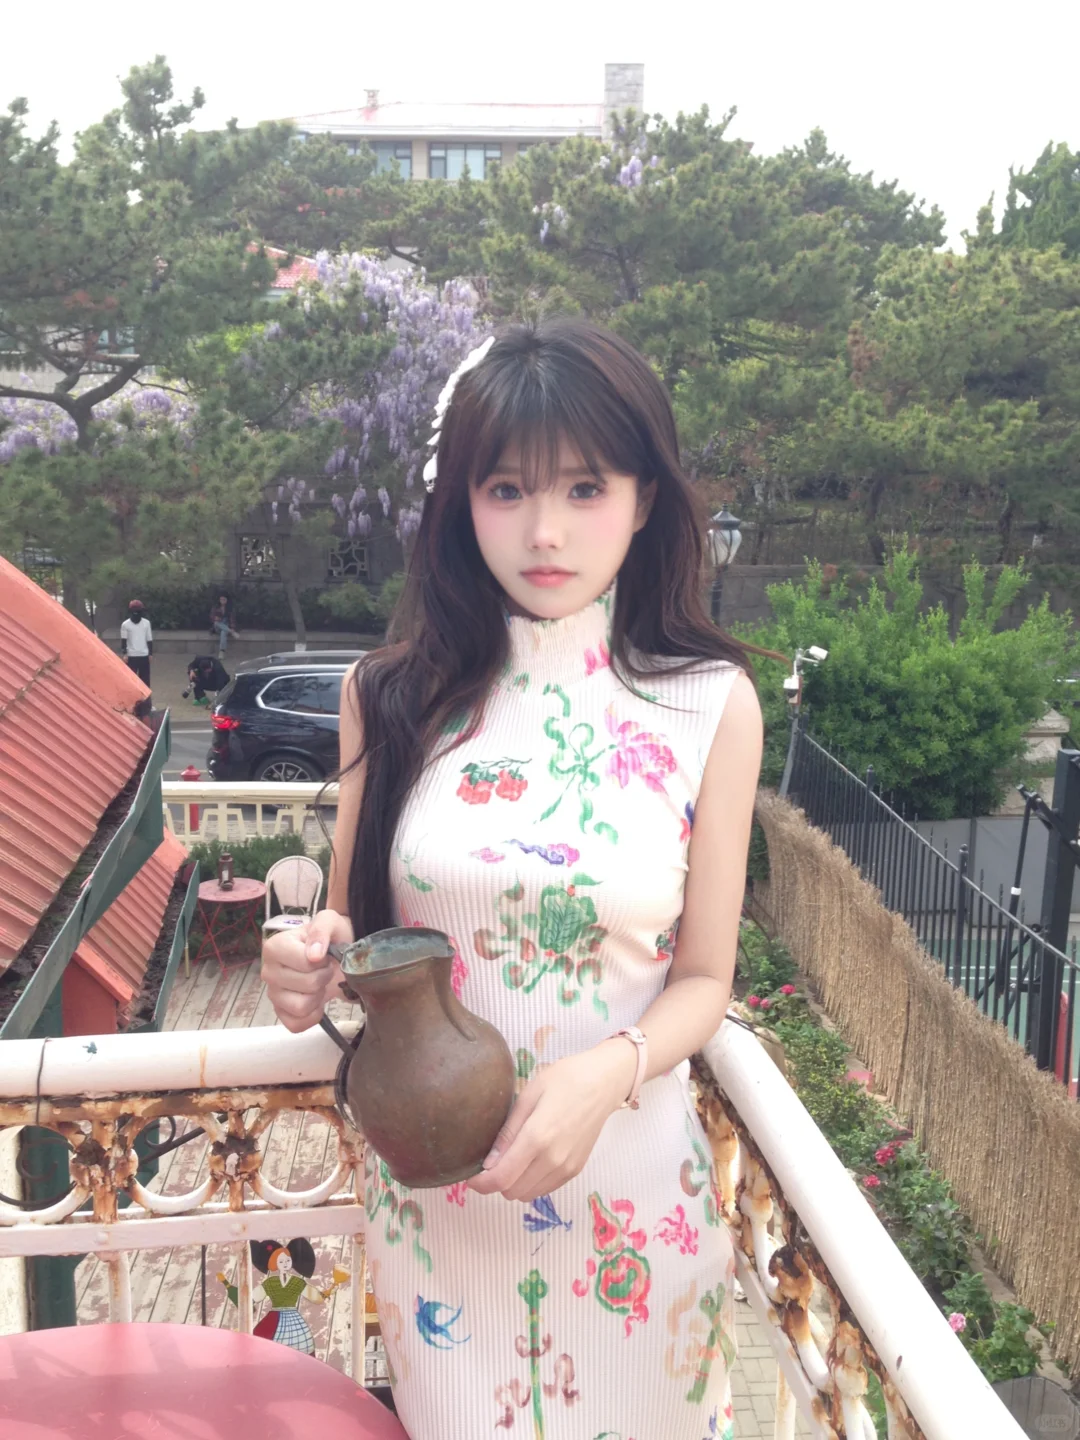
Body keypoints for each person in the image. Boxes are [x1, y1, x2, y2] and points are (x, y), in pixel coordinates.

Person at [261, 319, 763, 1440]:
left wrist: (606, 1072)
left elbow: (705, 980)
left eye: (586, 488)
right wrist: (302, 965)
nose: (545, 531)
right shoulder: (388, 698)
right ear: (463, 503)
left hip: (632, 1204)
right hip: (445, 1214)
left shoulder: (709, 705)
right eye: (506, 489)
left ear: (644, 497)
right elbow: (352, 940)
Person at [119, 600, 153, 686]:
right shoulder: (125, 625)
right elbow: (124, 640)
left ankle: (145, 695)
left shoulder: (146, 623)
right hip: (131, 656)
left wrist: (150, 654)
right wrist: (124, 653)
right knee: (131, 682)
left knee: (145, 682)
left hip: (144, 655)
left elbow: (149, 639)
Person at [209, 594, 239, 658]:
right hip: (217, 627)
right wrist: (215, 618)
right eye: (221, 599)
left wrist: (232, 627)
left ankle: (222, 652)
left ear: (227, 600)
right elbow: (211, 617)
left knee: (223, 632)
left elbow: (232, 619)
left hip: (226, 626)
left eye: (224, 599)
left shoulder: (230, 608)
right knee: (216, 623)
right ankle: (232, 632)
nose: (222, 600)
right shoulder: (215, 607)